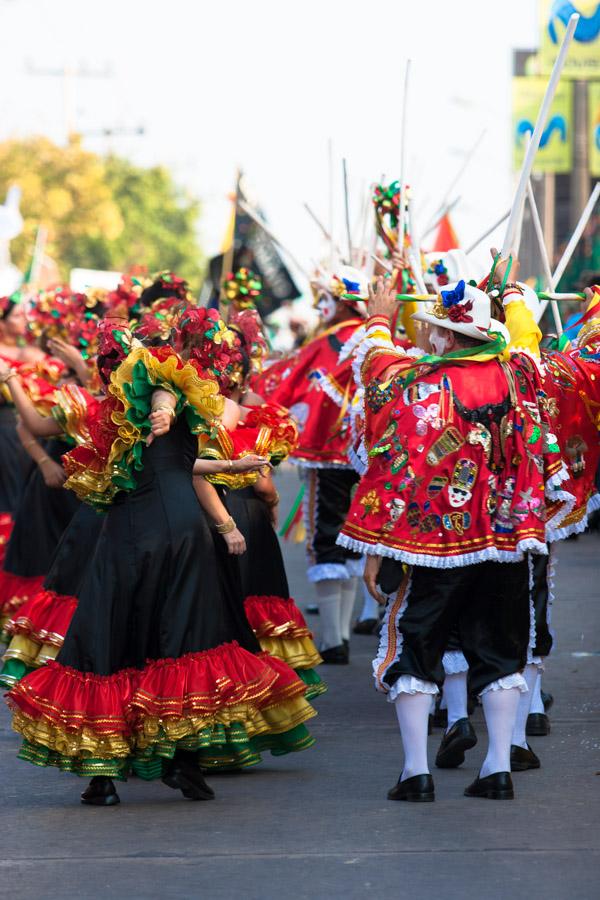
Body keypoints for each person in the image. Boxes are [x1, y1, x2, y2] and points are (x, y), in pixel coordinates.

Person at [4, 315, 318, 806]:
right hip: (183, 531)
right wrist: (185, 430)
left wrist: (198, 440)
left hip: (129, 534)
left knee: (110, 642)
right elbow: (170, 431)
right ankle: (183, 764)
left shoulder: (109, 407)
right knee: (182, 640)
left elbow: (163, 427)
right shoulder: (175, 388)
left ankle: (105, 776)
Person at [339, 256, 552, 801]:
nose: (429, 335)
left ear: (447, 336)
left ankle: (416, 773)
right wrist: (513, 298)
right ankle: (497, 768)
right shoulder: (521, 376)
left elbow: (378, 375)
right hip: (505, 542)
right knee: (502, 649)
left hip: (434, 546)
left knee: (418, 648)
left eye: (436, 328)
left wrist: (381, 319)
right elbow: (530, 342)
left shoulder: (420, 383)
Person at [254, 266, 369, 663]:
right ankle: (339, 635)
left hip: (330, 454)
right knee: (355, 534)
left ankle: (334, 638)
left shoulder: (330, 341)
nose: (321, 307)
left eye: (326, 299)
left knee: (327, 536)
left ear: (342, 302)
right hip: (372, 457)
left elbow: (289, 384)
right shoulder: (384, 340)